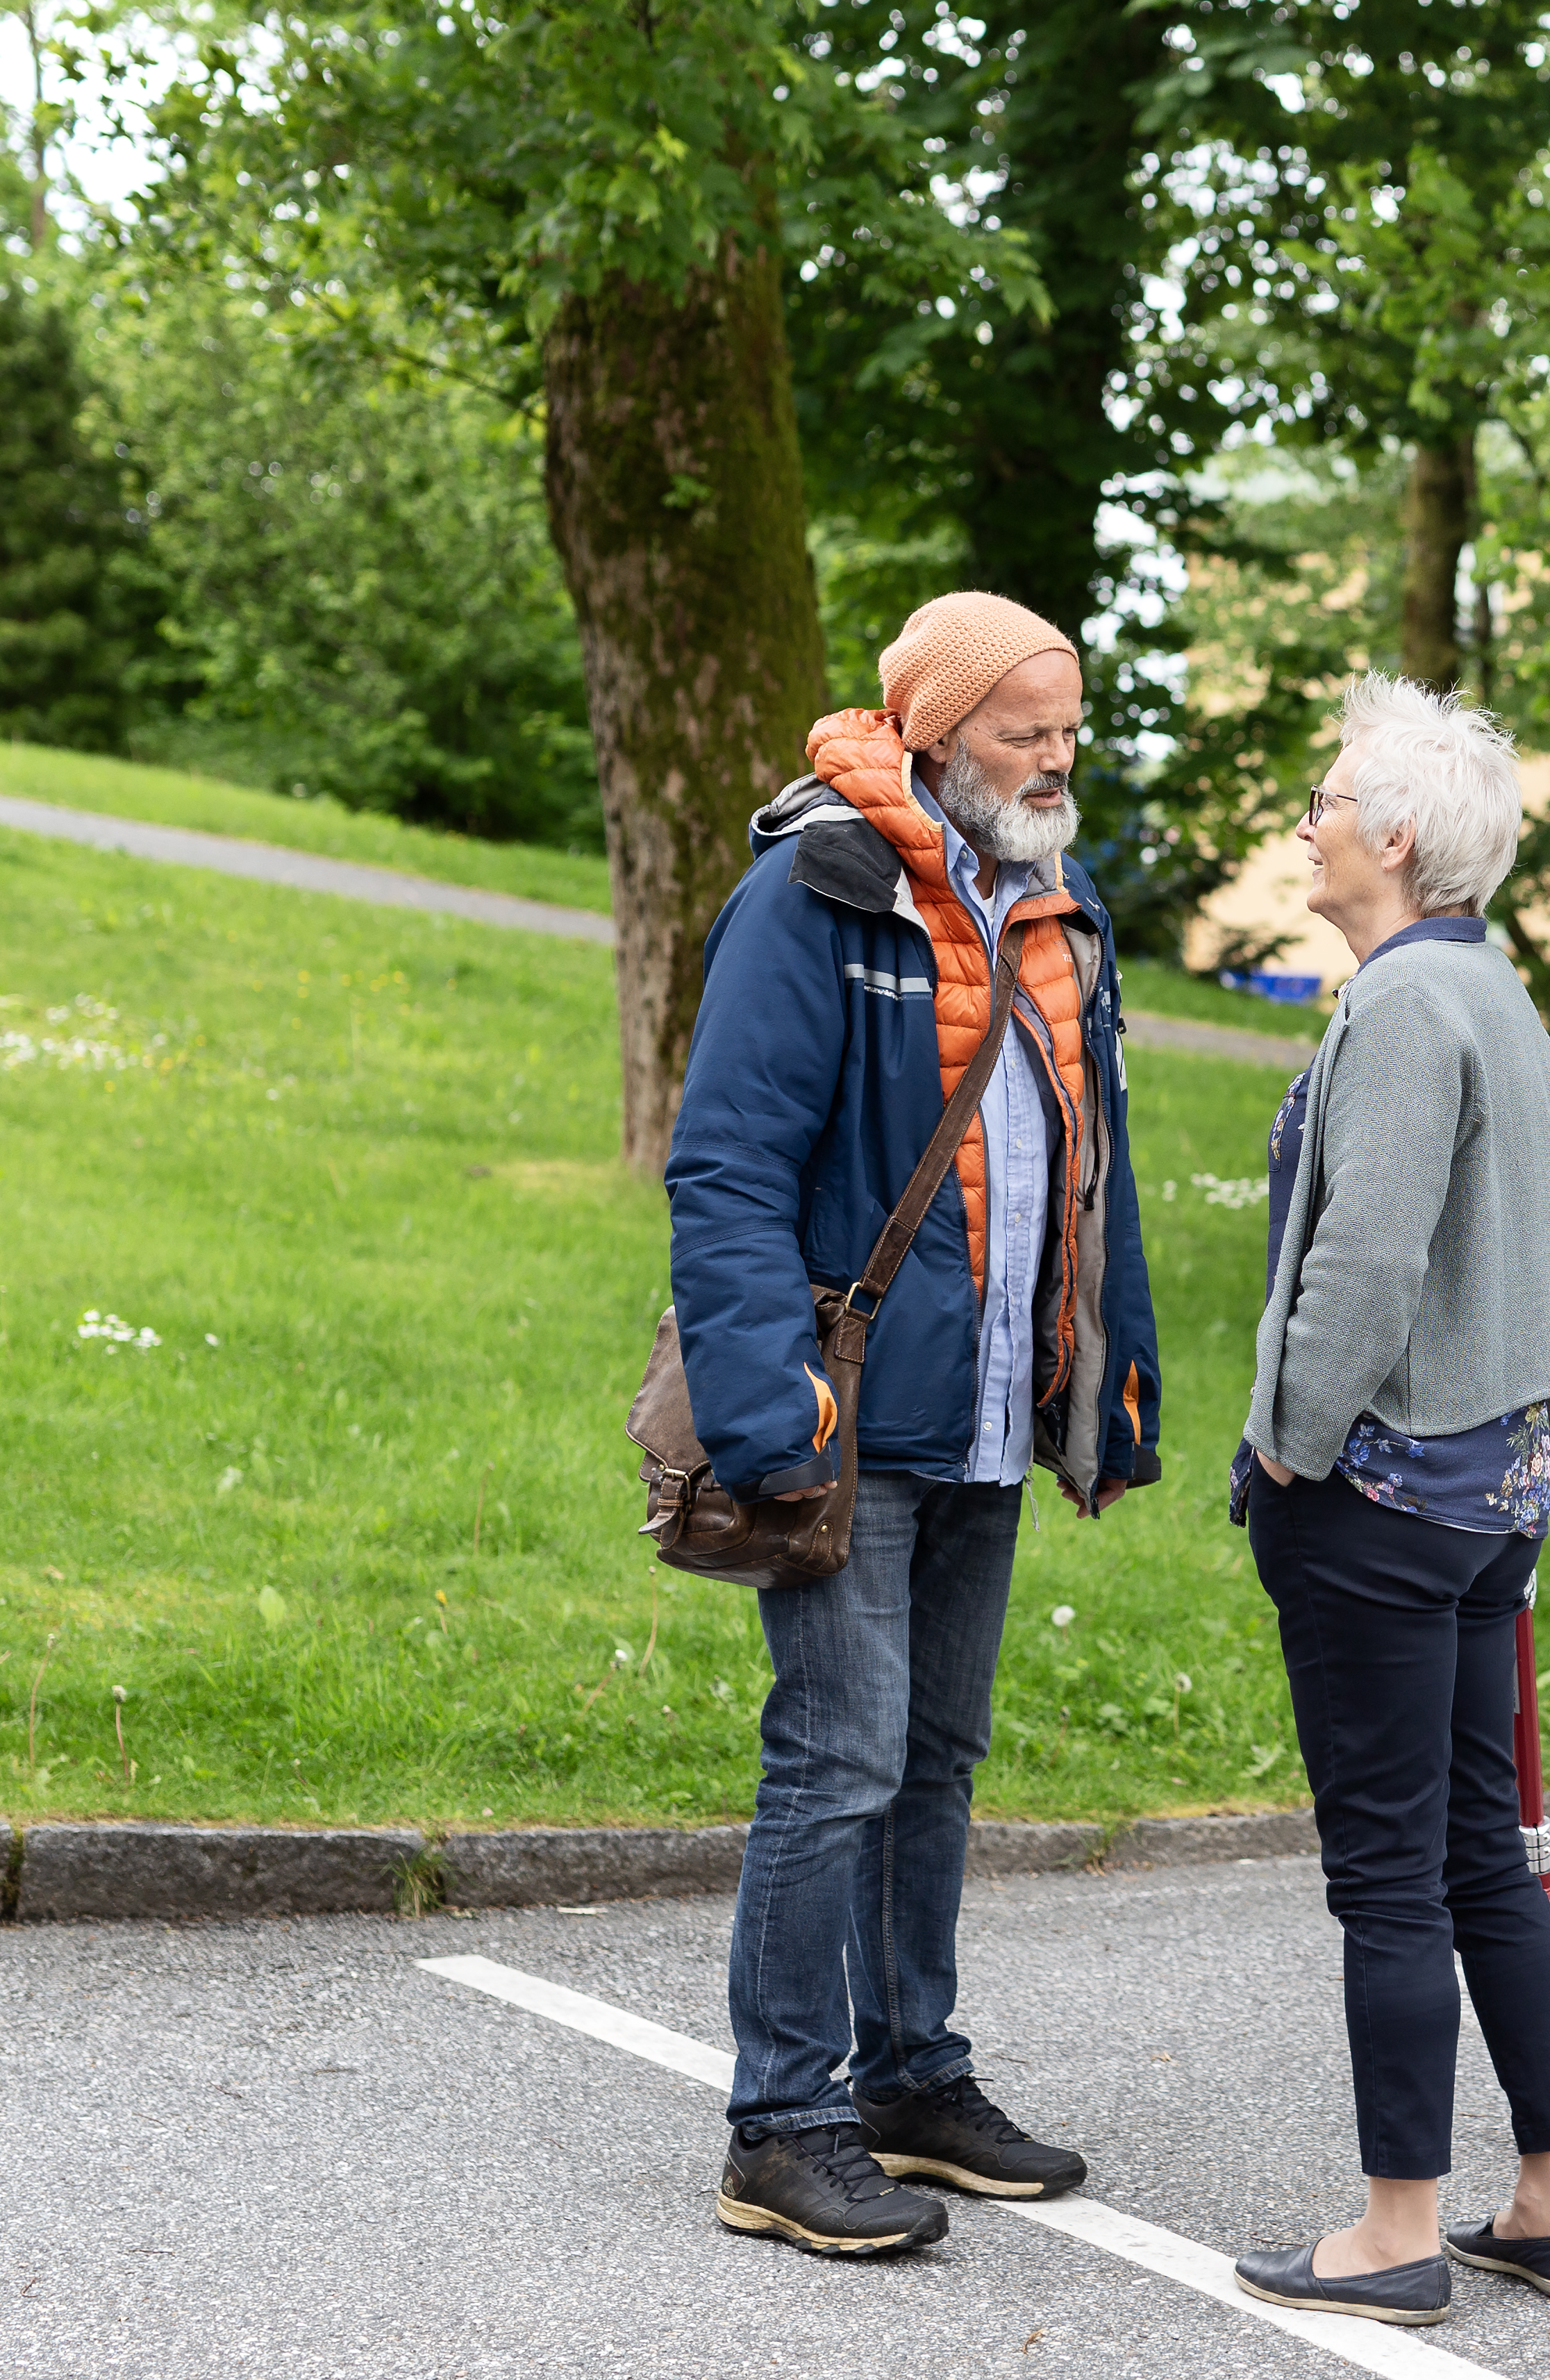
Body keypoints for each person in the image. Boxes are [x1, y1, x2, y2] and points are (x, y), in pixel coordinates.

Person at [665, 591, 1162, 2257]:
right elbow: (726, 1167)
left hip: (988, 1413)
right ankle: (783, 2122)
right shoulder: (815, 890)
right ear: (937, 734)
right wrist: (765, 1407)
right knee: (840, 1754)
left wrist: (1111, 1386)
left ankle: (910, 2078)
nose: (1055, 760)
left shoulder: (1059, 901)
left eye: (1070, 731)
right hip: (846, 1410)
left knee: (936, 1760)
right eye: (1026, 733)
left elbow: (1091, 1175)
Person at [1224, 675, 1550, 2327]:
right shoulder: (1494, 994)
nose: (1307, 823)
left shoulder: (1400, 1008)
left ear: (1393, 840)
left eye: (1327, 799)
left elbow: (1367, 1262)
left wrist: (1286, 1445)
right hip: (1491, 1499)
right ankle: (1548, 2199)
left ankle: (1395, 2232)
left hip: (1382, 1504)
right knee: (1482, 1854)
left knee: (1391, 1871)